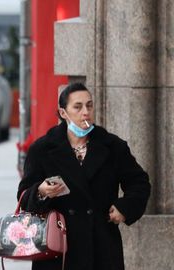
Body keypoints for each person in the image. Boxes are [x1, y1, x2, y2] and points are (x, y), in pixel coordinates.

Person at [17, 82, 151, 270]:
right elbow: (23, 195)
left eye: (89, 105)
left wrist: (125, 207)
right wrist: (40, 191)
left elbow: (139, 183)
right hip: (57, 250)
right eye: (77, 107)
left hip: (101, 246)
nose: (85, 112)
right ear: (63, 113)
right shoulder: (43, 148)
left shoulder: (112, 146)